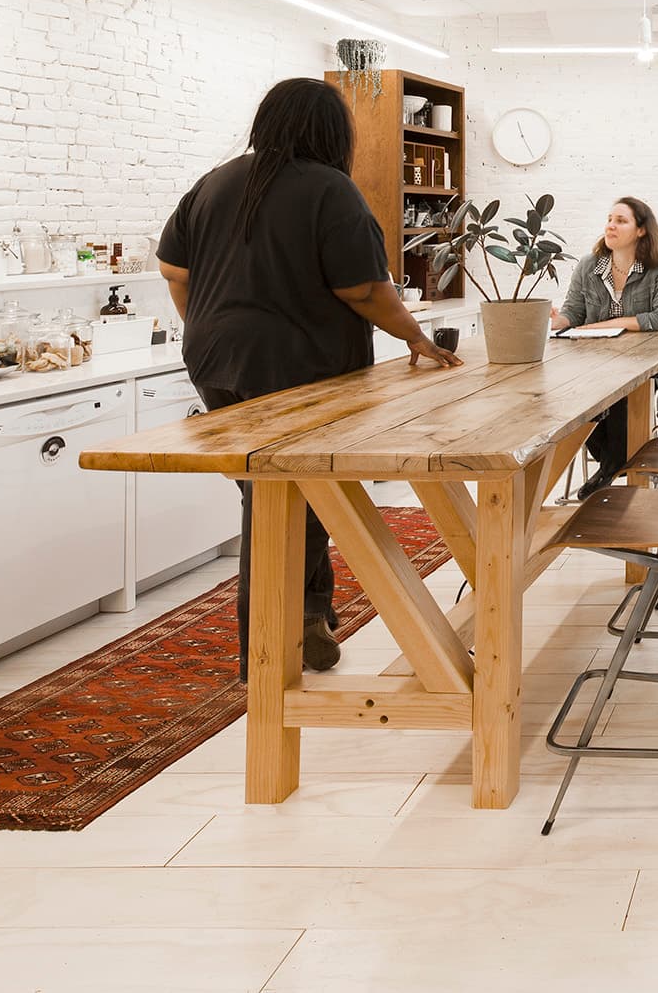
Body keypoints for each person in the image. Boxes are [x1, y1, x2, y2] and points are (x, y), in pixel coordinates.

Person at [157, 78, 459, 678]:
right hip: (301, 370)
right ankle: (265, 653)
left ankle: (309, 616)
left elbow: (173, 270)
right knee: (280, 498)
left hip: (215, 361)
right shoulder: (331, 190)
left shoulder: (214, 183)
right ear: (332, 132)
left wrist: (212, 329)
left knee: (285, 490)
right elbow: (363, 290)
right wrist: (416, 337)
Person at [550, 197, 658, 496]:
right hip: (594, 367)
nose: (611, 225)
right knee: (571, 399)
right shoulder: (588, 266)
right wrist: (558, 320)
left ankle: (609, 471)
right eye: (610, 219)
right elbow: (574, 314)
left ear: (641, 230)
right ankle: (613, 465)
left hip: (645, 370)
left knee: (623, 395)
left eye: (621, 220)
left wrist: (602, 325)